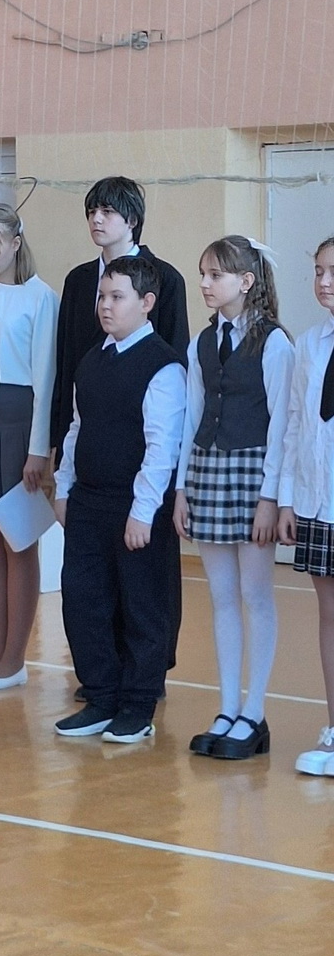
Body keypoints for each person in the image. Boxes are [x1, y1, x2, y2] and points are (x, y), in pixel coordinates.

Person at [50, 175, 189, 693]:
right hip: (90, 450)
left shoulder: (166, 279)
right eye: (92, 211)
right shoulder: (76, 281)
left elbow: (171, 358)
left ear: (131, 219)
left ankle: (146, 676)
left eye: (107, 211)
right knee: (88, 584)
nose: (97, 220)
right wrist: (58, 451)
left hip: (142, 449)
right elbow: (68, 367)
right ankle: (102, 679)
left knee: (144, 581)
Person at [174, 235, 293, 759]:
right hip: (208, 469)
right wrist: (181, 488)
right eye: (202, 273)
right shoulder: (201, 342)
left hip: (253, 472)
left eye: (215, 275)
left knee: (255, 594)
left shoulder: (274, 343)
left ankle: (254, 712)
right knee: (221, 595)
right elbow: (192, 417)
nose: (204, 283)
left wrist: (271, 496)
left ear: (246, 281)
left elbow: (282, 424)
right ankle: (226, 707)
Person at [0, 202, 59, 691]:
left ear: (16, 243)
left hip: (19, 422)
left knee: (18, 540)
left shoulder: (41, 298)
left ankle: (16, 658)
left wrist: (38, 449)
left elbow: (46, 378)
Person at [278, 237, 334, 776]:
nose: (324, 281)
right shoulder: (311, 344)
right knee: (329, 615)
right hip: (320, 501)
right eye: (318, 271)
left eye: (333, 271)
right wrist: (290, 499)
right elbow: (297, 422)